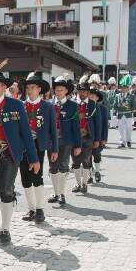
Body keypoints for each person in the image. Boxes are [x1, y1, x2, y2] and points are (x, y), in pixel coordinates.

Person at [0, 68, 40, 245]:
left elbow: (26, 134)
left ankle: (5, 228)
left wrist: (34, 158)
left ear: (4, 87)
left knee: (6, 190)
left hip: (9, 154)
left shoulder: (16, 105)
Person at [19, 73, 58, 223]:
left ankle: (40, 209)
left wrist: (54, 149)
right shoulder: (21, 105)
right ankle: (31, 209)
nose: (29, 90)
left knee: (37, 175)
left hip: (38, 145)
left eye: (33, 87)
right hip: (23, 146)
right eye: (27, 87)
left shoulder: (48, 106)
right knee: (25, 177)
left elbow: (53, 129)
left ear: (39, 89)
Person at [48, 76, 81, 205]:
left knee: (63, 166)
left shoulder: (73, 106)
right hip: (51, 141)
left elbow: (76, 127)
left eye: (61, 90)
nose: (58, 92)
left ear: (66, 91)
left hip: (66, 141)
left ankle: (62, 194)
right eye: (56, 90)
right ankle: (56, 193)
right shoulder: (49, 104)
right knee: (53, 167)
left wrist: (78, 145)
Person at [71, 79, 102, 193]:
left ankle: (84, 184)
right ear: (78, 91)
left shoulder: (94, 105)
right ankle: (78, 184)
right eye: (81, 91)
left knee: (86, 161)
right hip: (74, 137)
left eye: (85, 91)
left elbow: (98, 124)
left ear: (89, 92)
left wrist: (97, 139)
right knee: (75, 161)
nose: (82, 93)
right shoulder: (72, 103)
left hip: (88, 137)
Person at [88, 89, 108, 183]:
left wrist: (104, 139)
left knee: (96, 154)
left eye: (93, 96)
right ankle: (88, 175)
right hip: (87, 137)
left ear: (97, 98)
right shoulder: (85, 107)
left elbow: (104, 125)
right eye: (89, 96)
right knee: (86, 156)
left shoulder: (102, 108)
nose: (90, 98)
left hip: (98, 137)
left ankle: (97, 171)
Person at [114, 74, 136, 148]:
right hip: (120, 114)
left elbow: (134, 105)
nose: (124, 89)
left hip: (128, 114)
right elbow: (115, 105)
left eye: (125, 87)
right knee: (120, 129)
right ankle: (122, 142)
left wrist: (135, 115)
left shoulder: (132, 96)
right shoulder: (118, 96)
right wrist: (114, 114)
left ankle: (128, 140)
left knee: (129, 128)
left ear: (128, 88)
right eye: (123, 87)